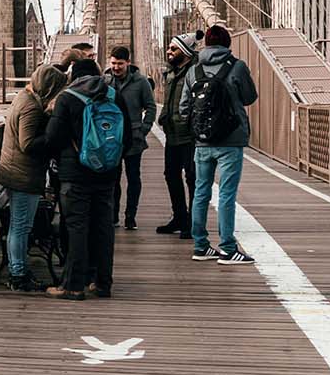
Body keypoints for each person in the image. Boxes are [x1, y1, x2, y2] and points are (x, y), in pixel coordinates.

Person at [43, 58, 120, 299]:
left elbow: (53, 138)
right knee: (103, 228)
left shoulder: (67, 98)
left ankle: (73, 285)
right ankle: (102, 283)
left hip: (75, 175)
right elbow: (125, 133)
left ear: (73, 77)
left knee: (77, 228)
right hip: (107, 174)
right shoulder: (113, 95)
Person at [182, 24, 258, 265]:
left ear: (205, 44)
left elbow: (185, 108)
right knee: (226, 194)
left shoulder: (193, 70)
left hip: (202, 143)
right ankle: (227, 248)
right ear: (228, 43)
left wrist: (199, 128)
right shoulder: (237, 66)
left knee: (201, 192)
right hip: (230, 140)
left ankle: (201, 246)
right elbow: (249, 98)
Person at [0, 63, 68, 291]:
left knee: (19, 225)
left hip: (17, 171)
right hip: (24, 175)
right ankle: (18, 275)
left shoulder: (24, 97)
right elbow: (27, 143)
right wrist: (54, 136)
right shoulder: (31, 108)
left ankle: (18, 271)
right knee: (21, 226)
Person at [152, 33, 199, 237]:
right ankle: (179, 217)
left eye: (174, 49)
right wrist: (162, 117)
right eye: (169, 48)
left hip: (190, 135)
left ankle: (193, 222)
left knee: (192, 178)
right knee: (171, 176)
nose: (169, 52)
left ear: (186, 52)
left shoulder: (196, 72)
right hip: (172, 133)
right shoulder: (170, 73)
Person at [105, 45, 155, 231]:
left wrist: (144, 129)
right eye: (113, 63)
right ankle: (113, 216)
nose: (116, 67)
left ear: (128, 62)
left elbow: (151, 106)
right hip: (112, 138)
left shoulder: (141, 82)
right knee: (113, 178)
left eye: (120, 64)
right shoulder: (105, 81)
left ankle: (130, 216)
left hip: (134, 137)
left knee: (134, 178)